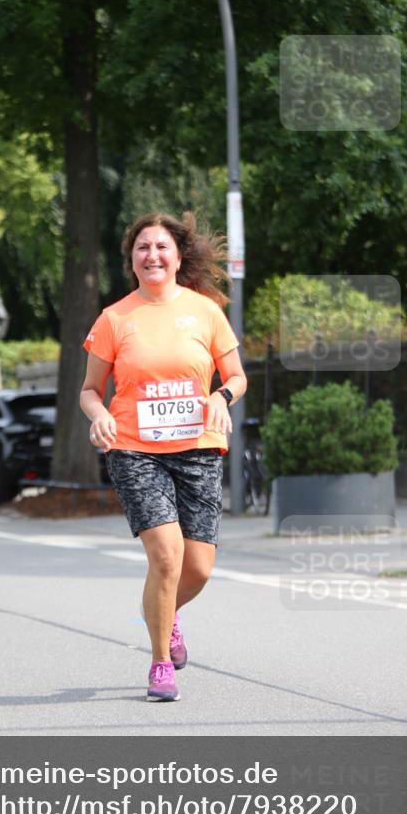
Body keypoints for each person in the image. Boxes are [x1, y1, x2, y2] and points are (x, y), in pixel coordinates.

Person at [80, 212, 247, 701]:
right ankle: (159, 664)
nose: (152, 255)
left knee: (198, 567)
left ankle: (168, 613)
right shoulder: (115, 318)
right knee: (167, 554)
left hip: (197, 448)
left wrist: (221, 398)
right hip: (134, 449)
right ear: (132, 259)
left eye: (161, 247)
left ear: (177, 257)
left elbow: (236, 376)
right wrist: (98, 415)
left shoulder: (206, 312)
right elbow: (90, 389)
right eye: (142, 248)